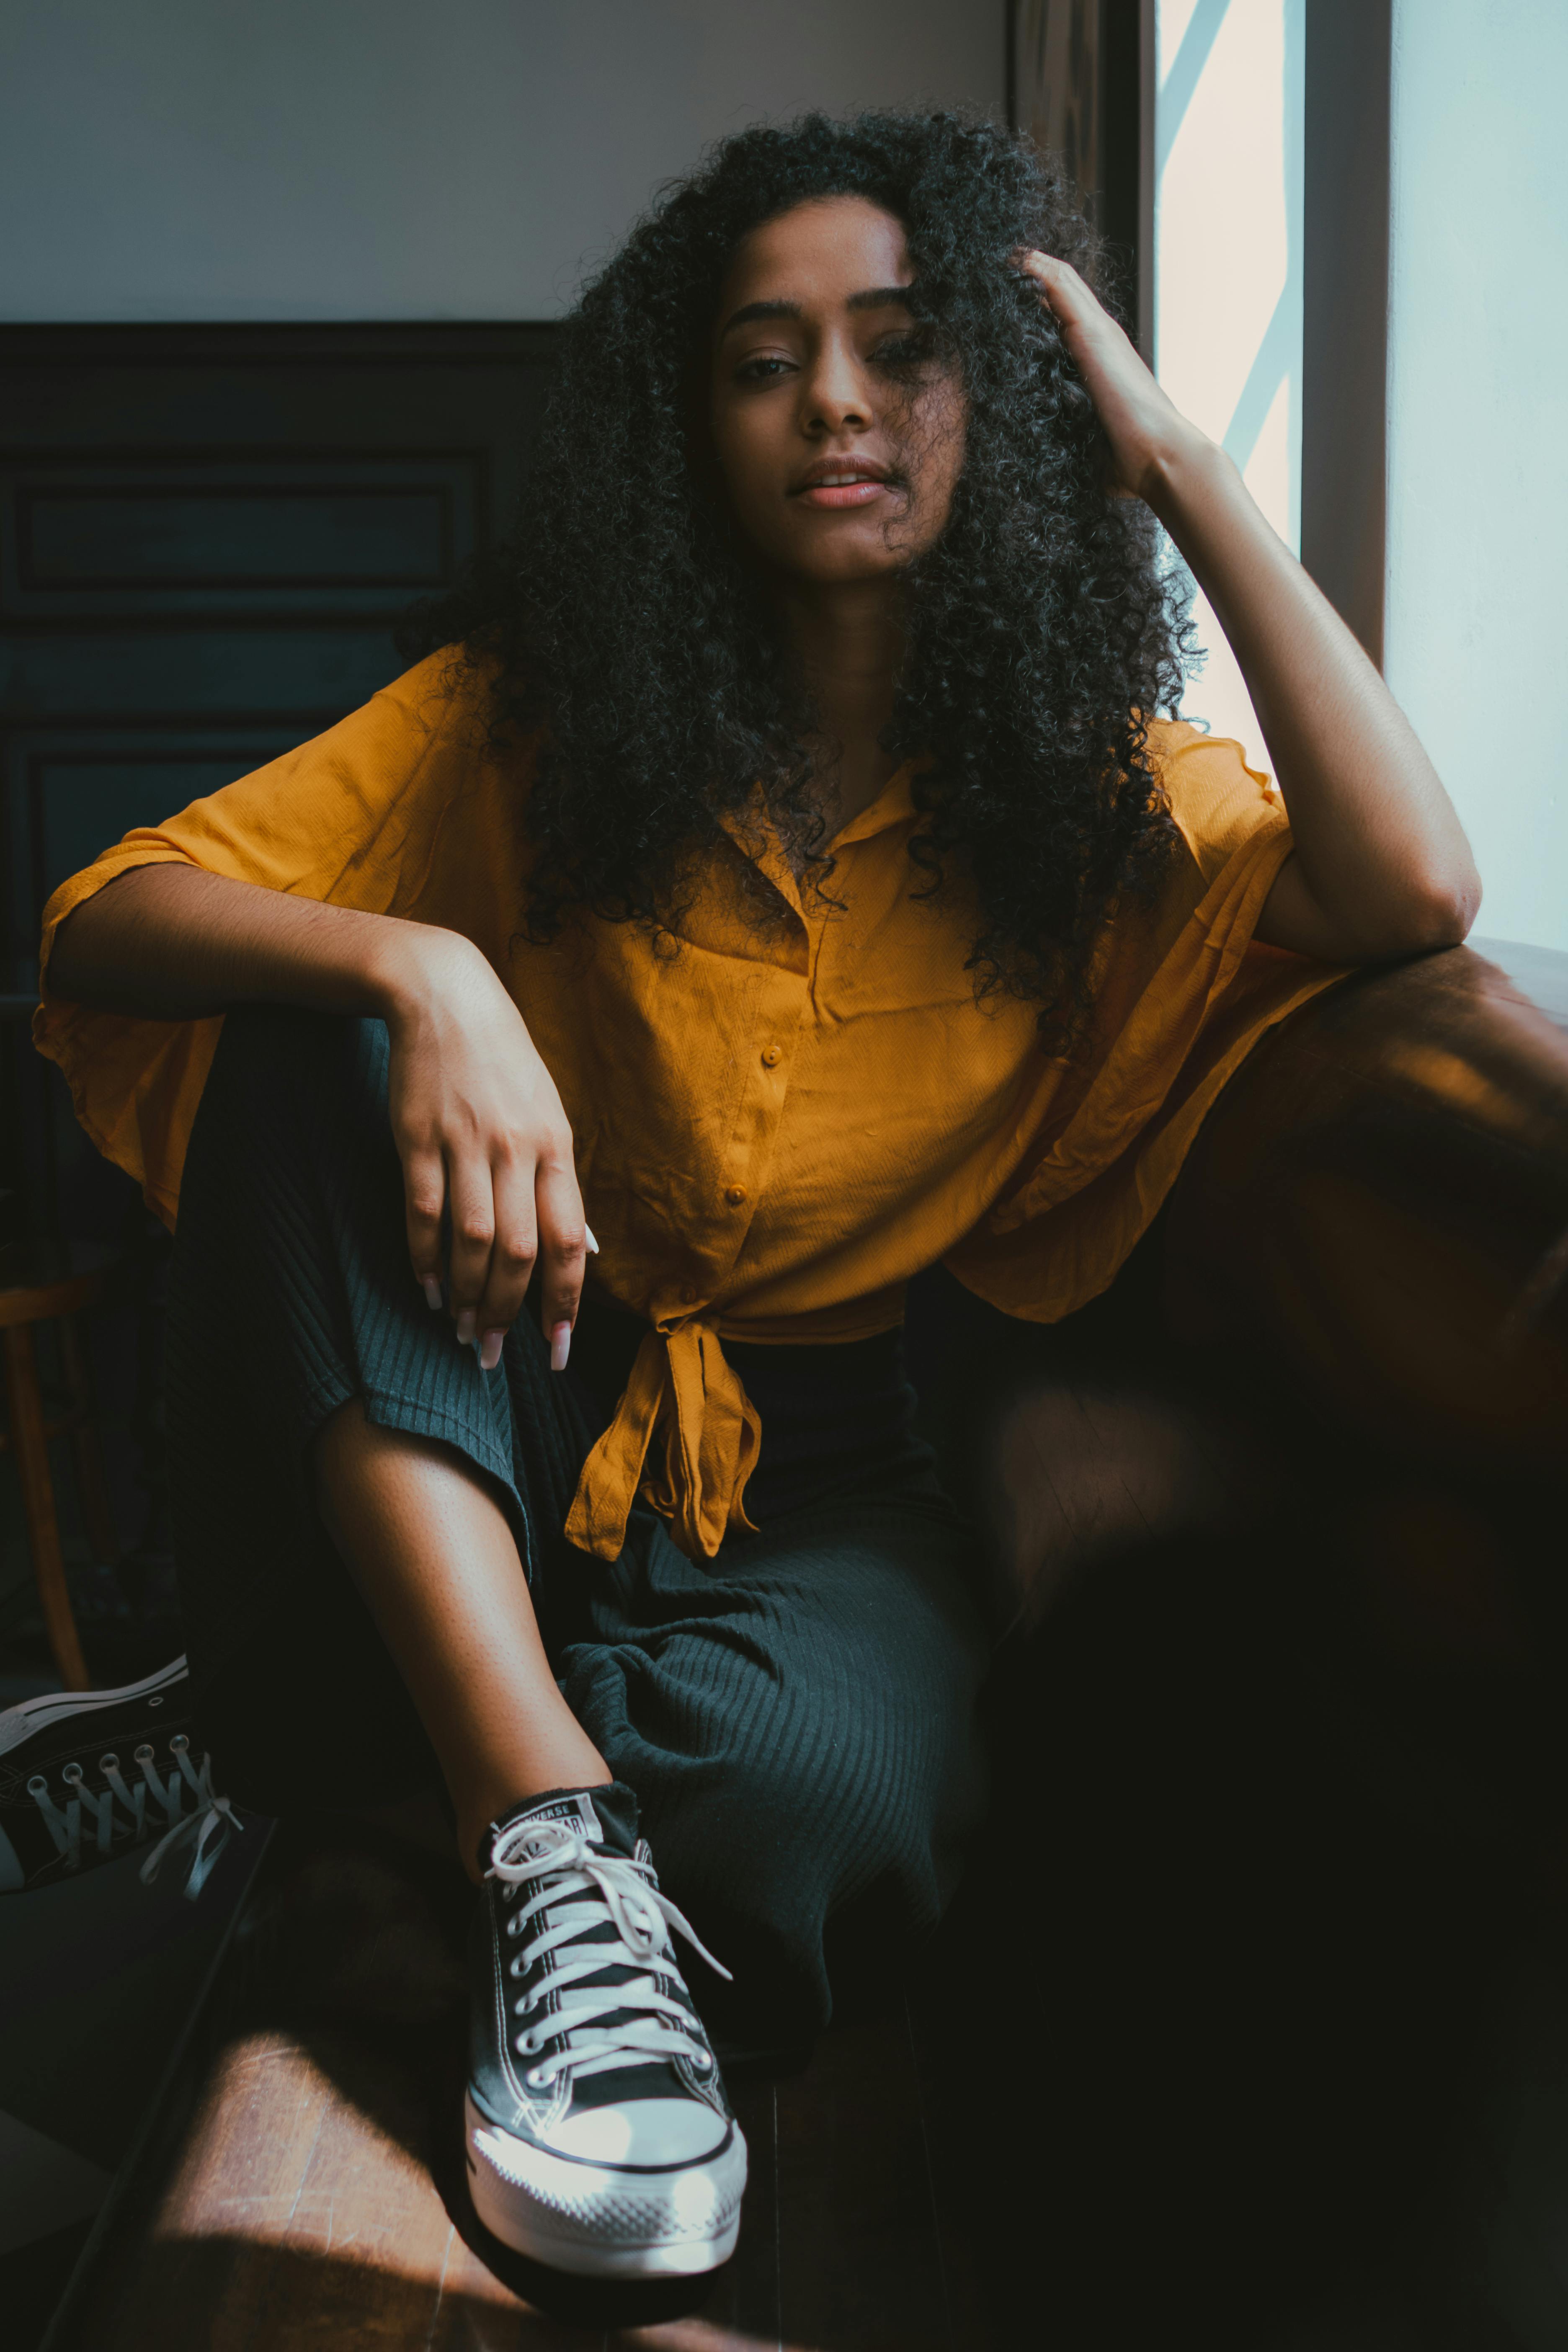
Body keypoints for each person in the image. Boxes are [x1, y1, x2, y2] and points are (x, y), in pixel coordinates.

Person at [35, 111, 1477, 2280]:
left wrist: (1177, 459)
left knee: (831, 1822)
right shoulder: (532, 729)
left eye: (908, 349)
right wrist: (425, 968)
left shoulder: (1106, 808)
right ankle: (526, 1820)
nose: (836, 405)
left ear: (1010, 395)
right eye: (763, 359)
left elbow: (1414, 888)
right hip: (466, 1393)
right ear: (685, 432)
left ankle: (310, 1775)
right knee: (317, 1020)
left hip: (816, 1473)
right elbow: (103, 919)